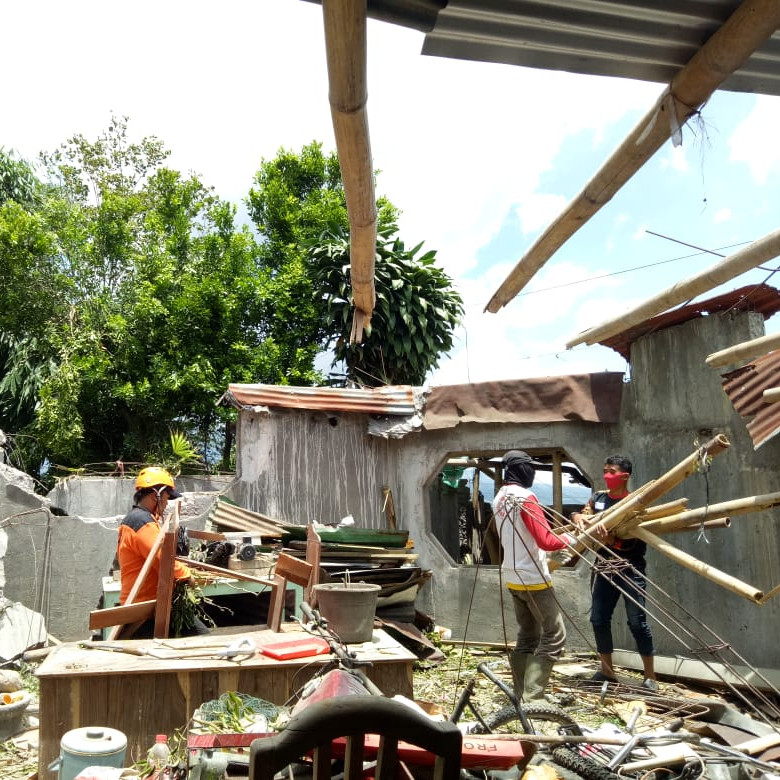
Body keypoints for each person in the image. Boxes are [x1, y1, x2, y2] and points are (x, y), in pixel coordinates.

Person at [493, 450, 575, 701]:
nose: (533, 472)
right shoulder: (526, 498)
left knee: (527, 636)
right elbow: (547, 541)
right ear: (522, 470)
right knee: (554, 636)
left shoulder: (499, 497)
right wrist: (572, 538)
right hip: (534, 579)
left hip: (512, 576)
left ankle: (519, 693)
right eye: (531, 468)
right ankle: (533, 696)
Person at [571, 454, 657, 691]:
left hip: (630, 568)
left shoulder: (634, 503)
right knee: (599, 619)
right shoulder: (598, 498)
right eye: (605, 470)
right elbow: (582, 513)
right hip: (604, 568)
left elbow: (638, 542)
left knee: (637, 623)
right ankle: (607, 671)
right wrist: (578, 517)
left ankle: (650, 677)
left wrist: (611, 540)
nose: (606, 476)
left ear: (624, 476)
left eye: (611, 472)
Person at [117, 466, 193, 609]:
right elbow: (163, 560)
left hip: (141, 603)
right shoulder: (143, 523)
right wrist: (187, 575)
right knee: (199, 631)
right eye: (166, 498)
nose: (166, 504)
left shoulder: (134, 519)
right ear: (155, 496)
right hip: (143, 608)